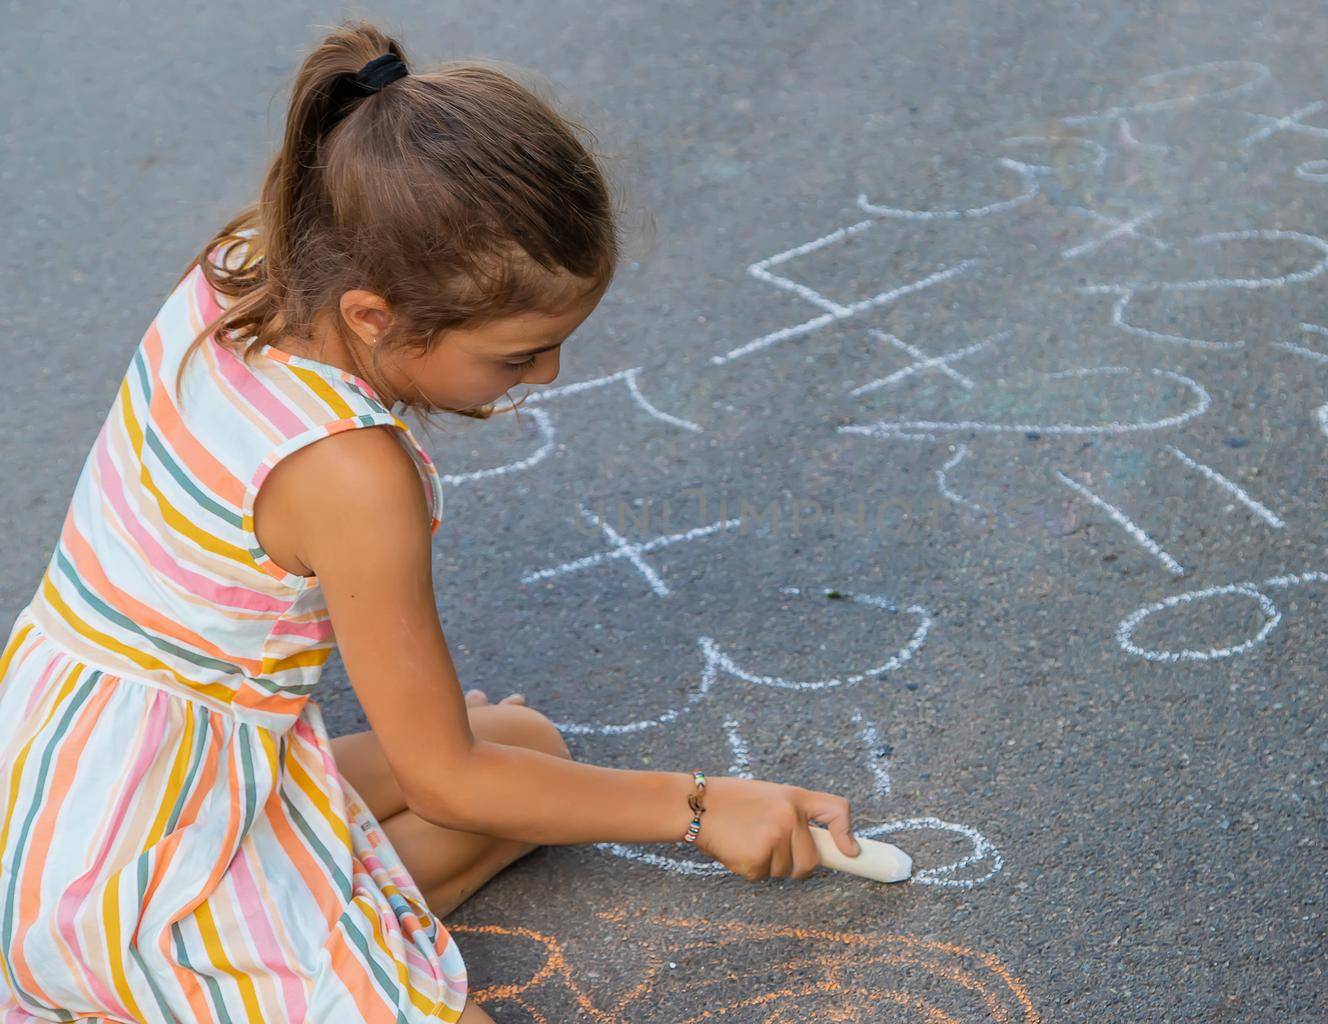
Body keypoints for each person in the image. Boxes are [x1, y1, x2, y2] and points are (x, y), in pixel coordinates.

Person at [0, 19, 860, 1024]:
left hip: (61, 754)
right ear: (372, 315)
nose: (546, 375)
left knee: (528, 744)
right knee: (463, 844)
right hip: (132, 861)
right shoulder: (349, 472)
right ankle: (153, 975)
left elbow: (462, 767)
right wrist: (703, 806)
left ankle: (230, 934)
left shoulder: (261, 252)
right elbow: (446, 779)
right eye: (517, 354)